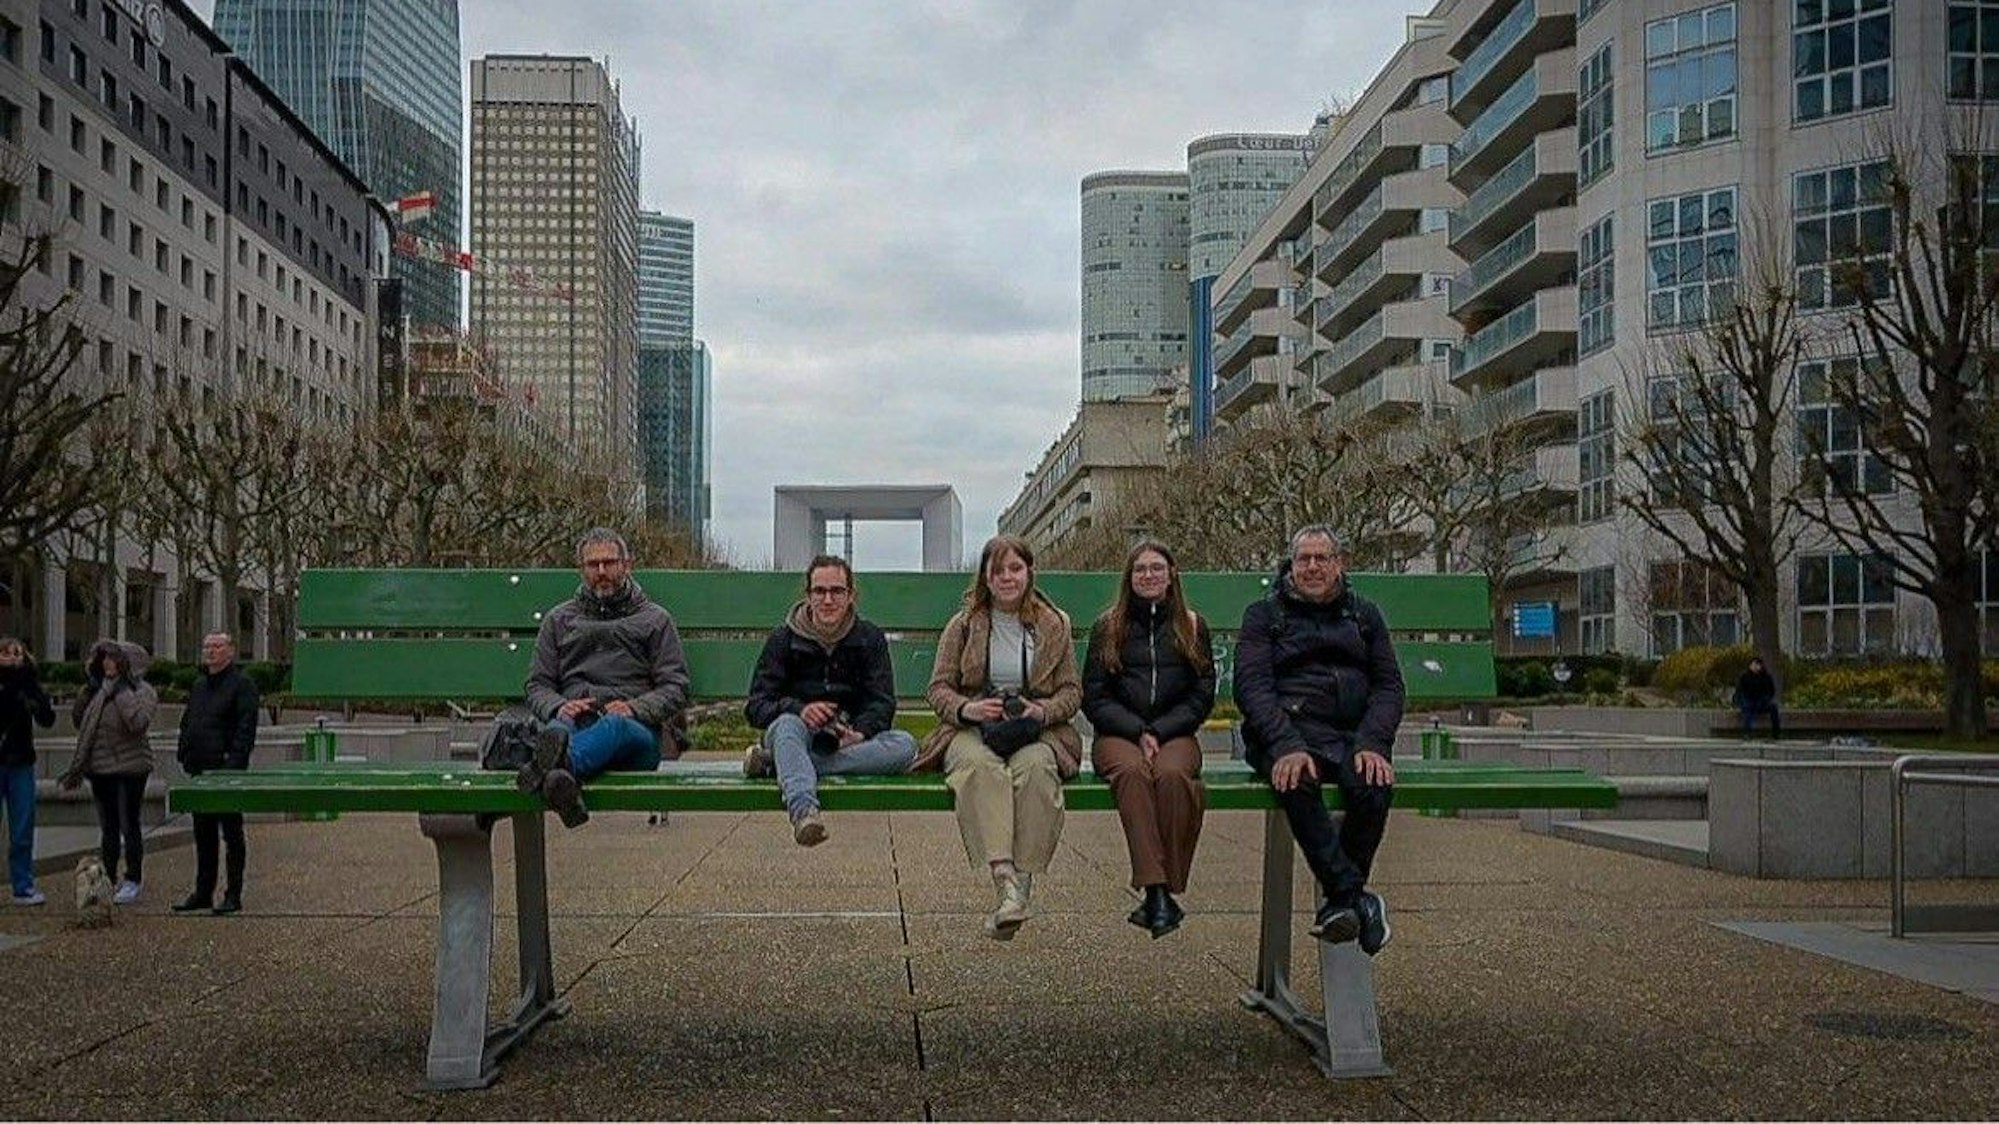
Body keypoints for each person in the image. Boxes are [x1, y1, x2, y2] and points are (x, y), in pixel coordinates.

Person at [1235, 526, 1404, 955]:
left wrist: (1373, 742)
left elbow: (1388, 687)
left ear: (1339, 564)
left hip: (1350, 736)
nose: (1312, 567)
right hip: (1285, 734)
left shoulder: (1365, 616)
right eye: (1303, 559)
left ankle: (1342, 903)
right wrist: (1285, 744)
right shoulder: (1264, 615)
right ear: (1291, 565)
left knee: (1373, 784)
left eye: (1321, 558)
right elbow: (1252, 687)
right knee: (1297, 779)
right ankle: (1355, 897)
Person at [916, 534, 1082, 940]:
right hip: (973, 729)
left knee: (1038, 769)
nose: (1007, 577)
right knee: (979, 767)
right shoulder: (964, 625)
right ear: (985, 577)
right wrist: (968, 708)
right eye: (997, 570)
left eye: (1015, 568)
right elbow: (938, 688)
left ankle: (1020, 889)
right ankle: (1004, 879)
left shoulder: (1053, 623)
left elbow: (1072, 692)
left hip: (1034, 730)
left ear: (1028, 573)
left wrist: (1041, 711)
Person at [1083, 541, 1215, 939]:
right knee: (1133, 774)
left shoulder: (1192, 625)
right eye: (1140, 569)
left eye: (1157, 568)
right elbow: (1095, 694)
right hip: (1118, 734)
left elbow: (1202, 693)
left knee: (1174, 777)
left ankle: (1162, 889)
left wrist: (1159, 731)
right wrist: (1137, 730)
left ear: (1172, 573)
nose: (1148, 575)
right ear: (1129, 577)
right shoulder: (1108, 626)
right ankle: (1157, 890)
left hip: (1174, 733)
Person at [520, 528, 690, 828]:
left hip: (635, 734)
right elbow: (537, 685)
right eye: (593, 565)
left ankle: (550, 769)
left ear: (627, 565)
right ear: (581, 569)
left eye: (610, 563)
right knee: (558, 727)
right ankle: (558, 778)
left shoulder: (655, 619)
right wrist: (558, 706)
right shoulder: (558, 620)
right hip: (575, 722)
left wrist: (634, 708)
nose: (602, 572)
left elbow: (676, 687)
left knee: (613, 726)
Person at [744, 555, 919, 846]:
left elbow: (882, 703)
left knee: (904, 745)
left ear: (851, 595)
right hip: (793, 732)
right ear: (808, 595)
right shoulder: (783, 640)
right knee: (787, 726)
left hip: (846, 739)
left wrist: (859, 732)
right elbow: (757, 706)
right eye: (819, 591)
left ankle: (780, 766)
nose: (828, 600)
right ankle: (804, 811)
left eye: (837, 591)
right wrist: (800, 710)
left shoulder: (869, 638)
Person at [60, 640, 159, 905]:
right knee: (109, 828)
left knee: (130, 824)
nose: (107, 664)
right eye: (104, 659)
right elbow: (79, 721)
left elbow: (137, 723)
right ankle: (109, 878)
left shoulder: (142, 691)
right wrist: (90, 691)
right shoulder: (97, 691)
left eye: (113, 659)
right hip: (100, 768)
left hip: (130, 768)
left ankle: (133, 878)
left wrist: (120, 692)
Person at [174, 632, 259, 916]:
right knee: (203, 833)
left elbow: (245, 731)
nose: (210, 651)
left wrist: (232, 766)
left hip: (226, 772)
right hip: (200, 769)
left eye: (217, 646)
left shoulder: (242, 685)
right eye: (207, 646)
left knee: (232, 834)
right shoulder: (199, 686)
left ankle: (233, 893)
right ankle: (203, 891)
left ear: (231, 651)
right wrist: (184, 752)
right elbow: (188, 722)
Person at [0, 637, 55, 906]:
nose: (12, 657)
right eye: (6, 653)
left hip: (21, 762)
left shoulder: (29, 684)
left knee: (22, 827)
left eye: (17, 653)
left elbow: (47, 718)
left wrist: (31, 696)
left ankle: (23, 884)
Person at [1736, 656, 1781, 738]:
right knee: (1748, 709)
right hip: (1748, 701)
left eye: (1758, 665)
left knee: (1773, 707)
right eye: (1754, 665)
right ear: (1750, 666)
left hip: (1761, 702)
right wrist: (1741, 701)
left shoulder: (1766, 677)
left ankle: (1776, 733)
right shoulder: (1745, 677)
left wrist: (1765, 699)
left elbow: (1770, 691)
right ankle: (1747, 732)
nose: (1756, 667)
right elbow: (1740, 691)